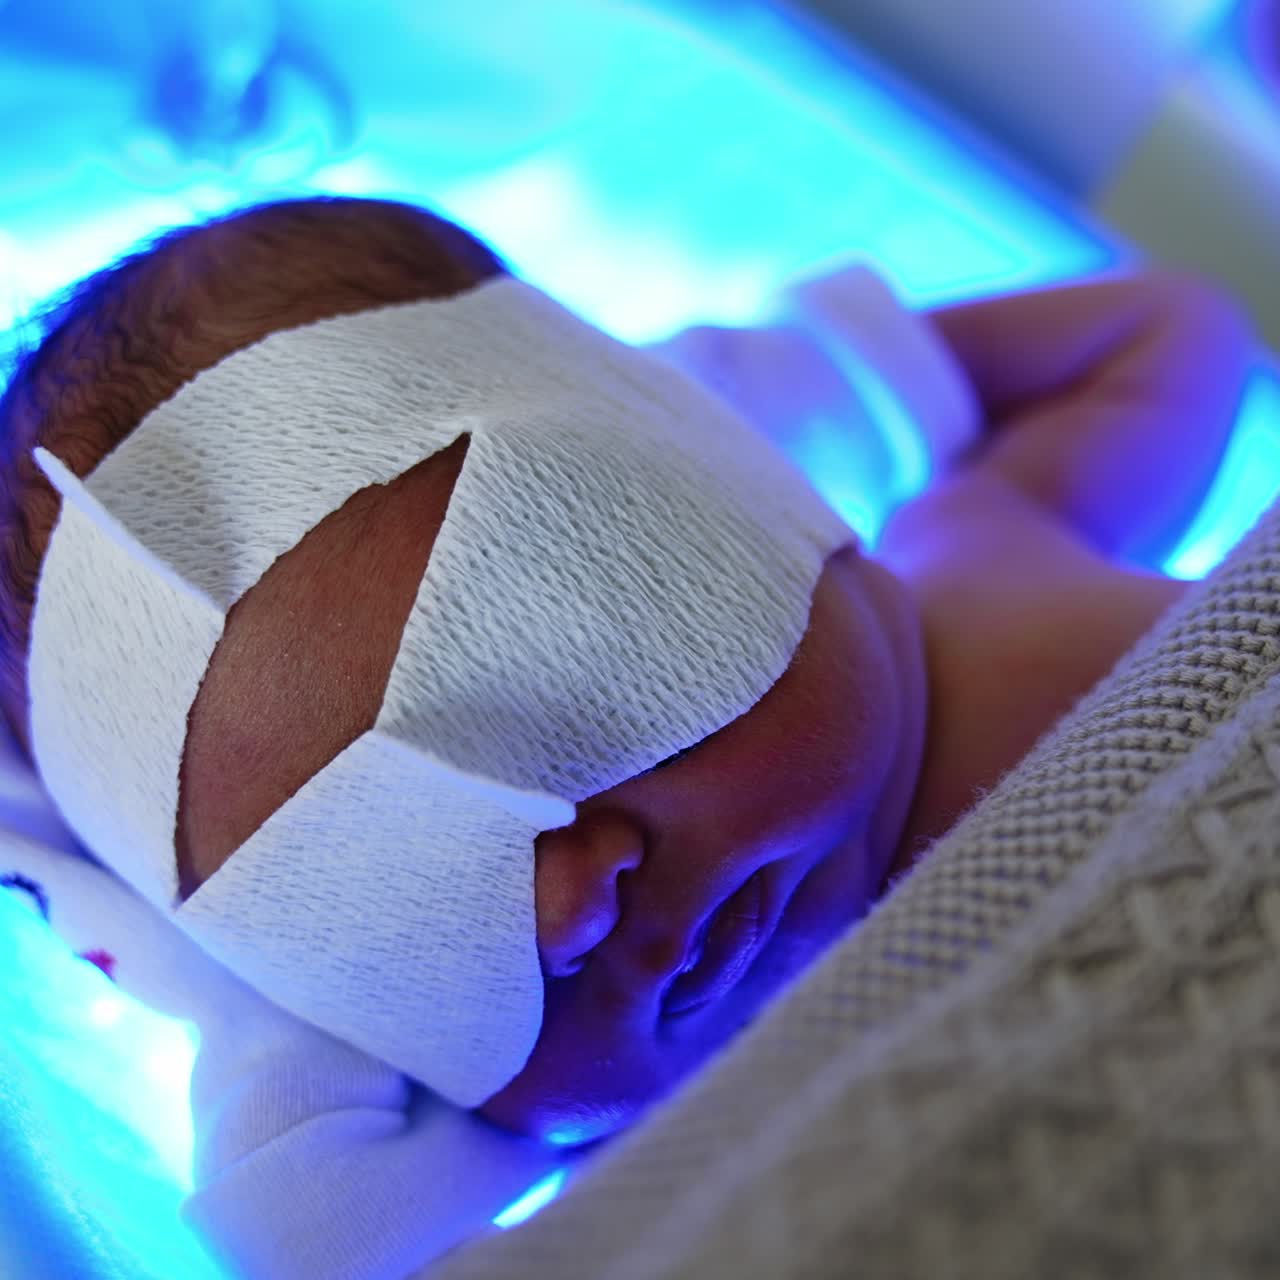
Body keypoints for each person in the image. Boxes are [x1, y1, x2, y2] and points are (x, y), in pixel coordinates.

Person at [0, 194, 1255, 1160]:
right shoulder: (702, 1167)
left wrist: (785, 383)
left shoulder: (981, 546)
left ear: (722, 481)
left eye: (559, 662)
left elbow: (1166, 328)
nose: (563, 910)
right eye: (385, 902)